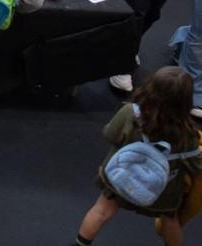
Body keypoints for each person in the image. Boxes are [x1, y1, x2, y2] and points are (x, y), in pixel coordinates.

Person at [77, 67, 199, 246]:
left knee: (102, 210)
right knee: (170, 221)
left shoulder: (130, 113)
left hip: (121, 178)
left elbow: (110, 135)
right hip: (163, 190)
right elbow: (195, 164)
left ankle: (80, 243)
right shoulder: (187, 133)